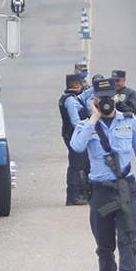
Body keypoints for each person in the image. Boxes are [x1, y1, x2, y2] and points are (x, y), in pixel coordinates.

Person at [71, 77, 136, 271]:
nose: (106, 103)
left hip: (125, 189)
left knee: (128, 240)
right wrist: (94, 117)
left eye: (109, 99)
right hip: (100, 192)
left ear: (116, 98)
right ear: (94, 100)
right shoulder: (86, 125)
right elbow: (77, 147)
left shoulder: (129, 121)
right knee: (105, 246)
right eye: (101, 99)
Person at [60, 74, 90, 205]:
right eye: (82, 82)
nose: (84, 84)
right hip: (74, 135)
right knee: (76, 165)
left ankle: (81, 193)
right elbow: (75, 122)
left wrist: (97, 87)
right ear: (76, 84)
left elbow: (84, 96)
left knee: (82, 163)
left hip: (73, 134)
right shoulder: (70, 101)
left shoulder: (72, 97)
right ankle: (73, 196)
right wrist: (86, 130)